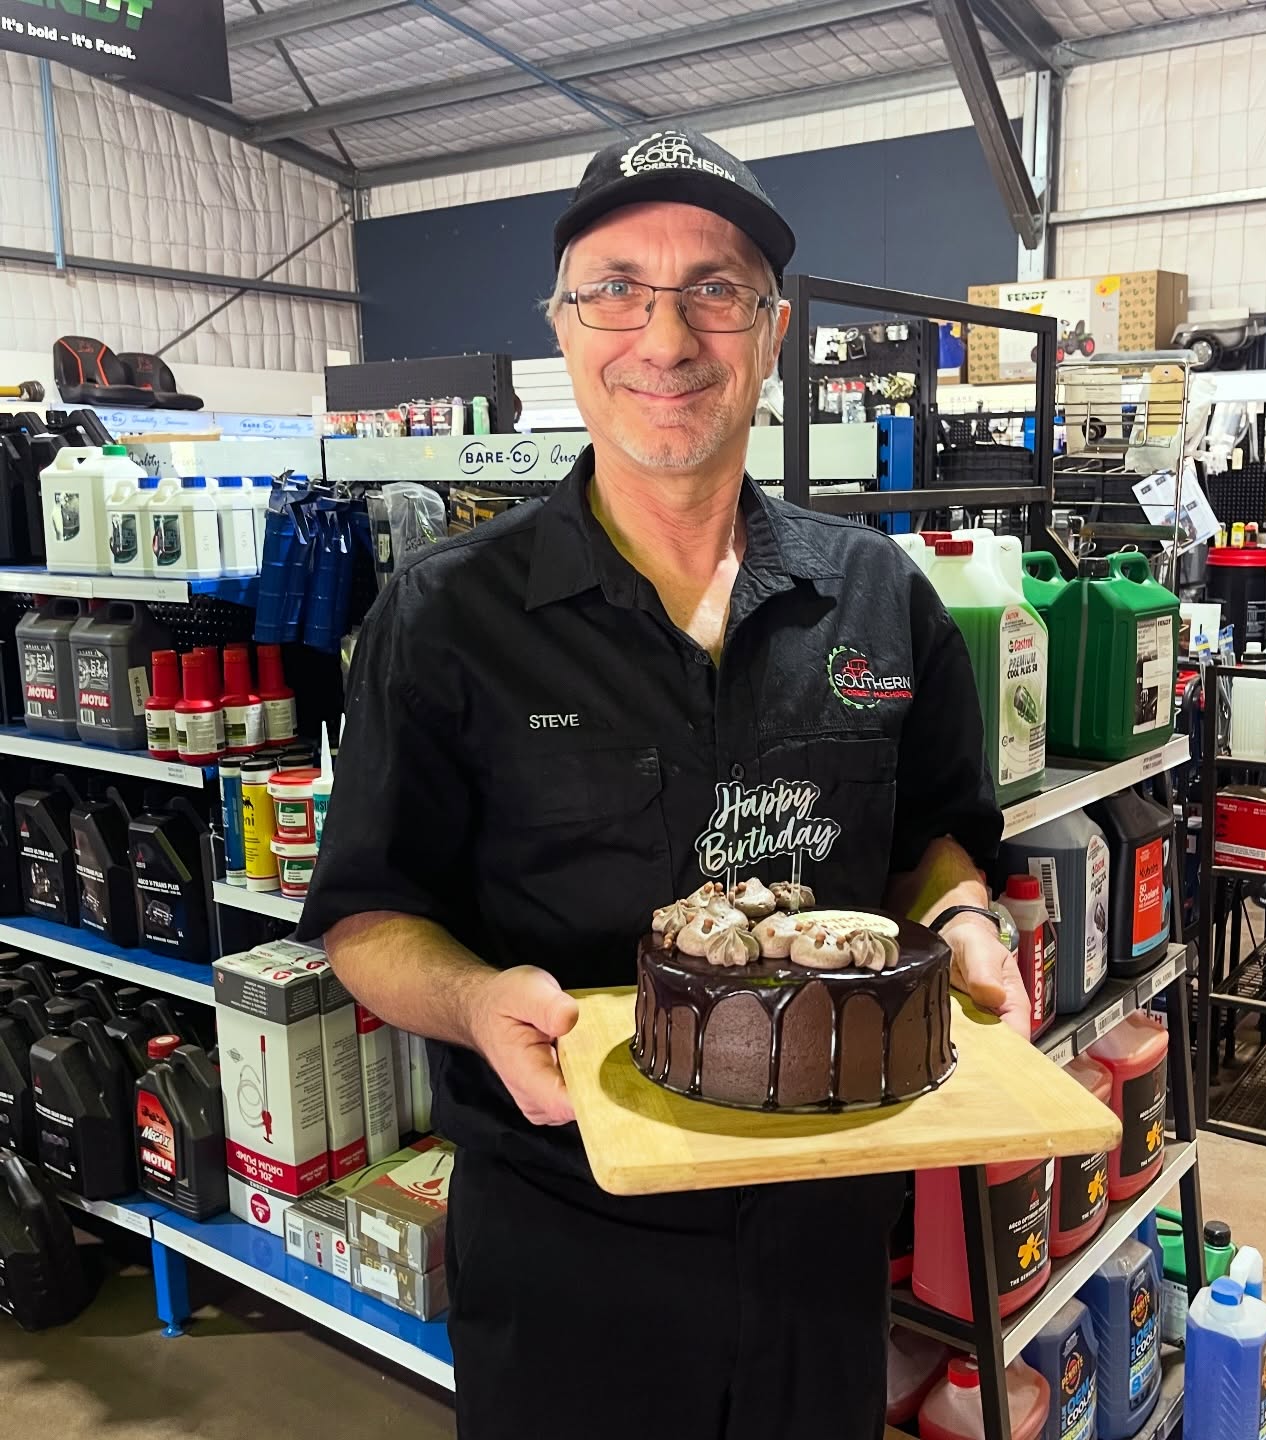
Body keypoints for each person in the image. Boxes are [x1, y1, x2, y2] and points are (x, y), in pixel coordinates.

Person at [300, 126, 1026, 1440]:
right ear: (565, 330)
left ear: (775, 328)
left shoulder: (878, 596)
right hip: (570, 1245)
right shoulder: (446, 619)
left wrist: (966, 916)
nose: (668, 337)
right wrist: (470, 998)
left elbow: (934, 833)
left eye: (715, 289)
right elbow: (365, 917)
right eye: (619, 288)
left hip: (824, 1232)